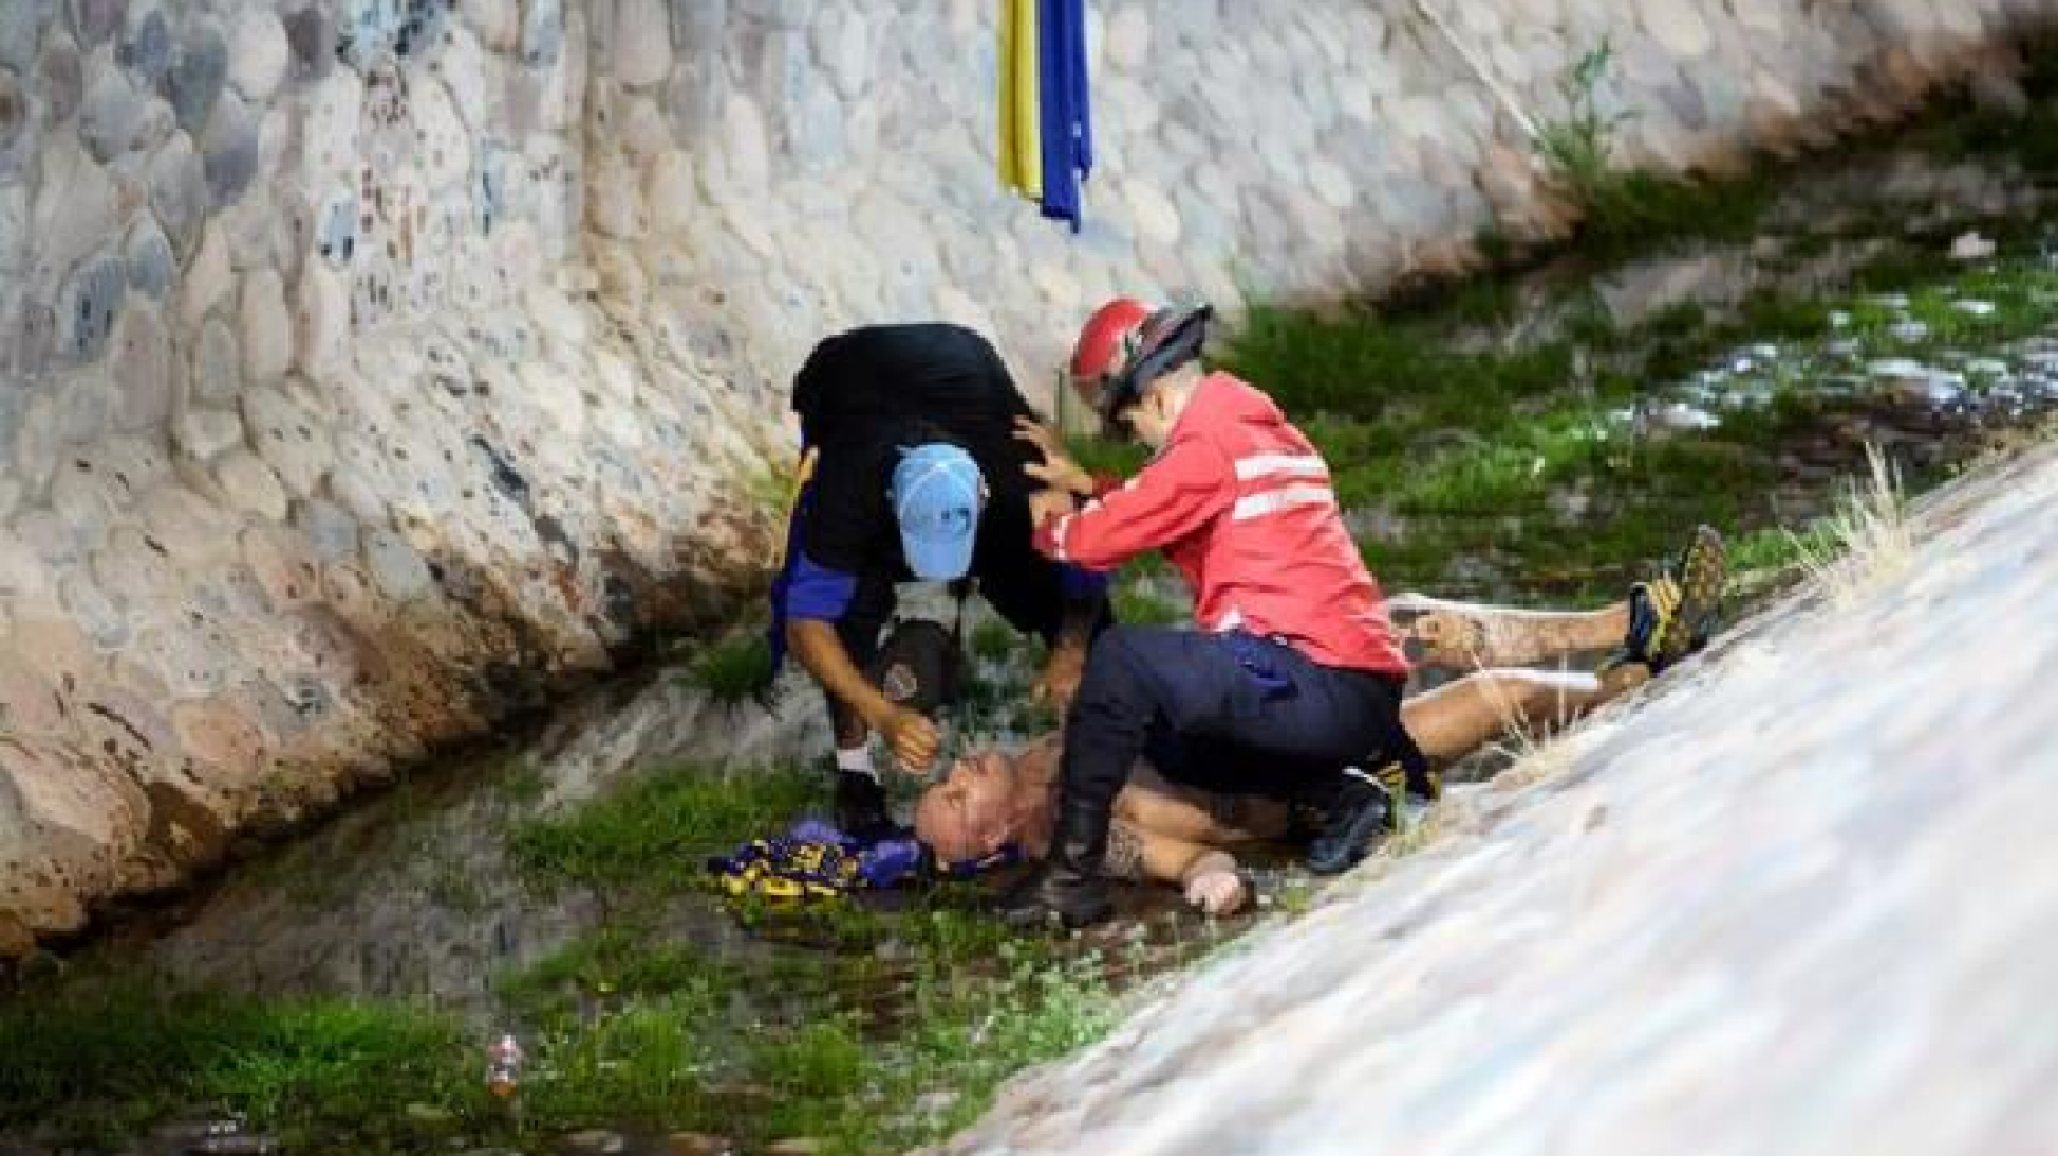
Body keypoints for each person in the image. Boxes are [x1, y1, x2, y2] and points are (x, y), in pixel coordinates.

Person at [1003, 296, 1727, 927]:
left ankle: (1070, 881)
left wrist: (1043, 517)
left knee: (1124, 659)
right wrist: (1098, 486)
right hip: (1333, 681)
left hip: (1314, 683)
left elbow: (1091, 546)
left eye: (1130, 430)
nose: (1139, 446)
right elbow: (1179, 525)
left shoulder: (1204, 448)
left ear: (1154, 395)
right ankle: (1353, 792)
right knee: (1163, 717)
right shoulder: (1254, 427)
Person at [914, 528, 1729, 917]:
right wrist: (1213, 884)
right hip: (1327, 777)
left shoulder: (1037, 755)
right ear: (993, 841)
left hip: (1280, 714)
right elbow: (1183, 857)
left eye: (943, 779)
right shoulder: (1079, 830)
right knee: (1498, 701)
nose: (957, 773)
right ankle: (1630, 676)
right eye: (956, 800)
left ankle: (1622, 623)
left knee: (1399, 623)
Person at [768, 323, 1112, 838]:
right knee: (847, 614)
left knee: (1059, 597)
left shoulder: (1020, 472)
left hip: (961, 368)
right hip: (848, 378)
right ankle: (855, 774)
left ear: (981, 499)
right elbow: (807, 622)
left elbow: (1094, 546)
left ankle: (1102, 742)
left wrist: (1072, 647)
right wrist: (881, 713)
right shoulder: (847, 486)